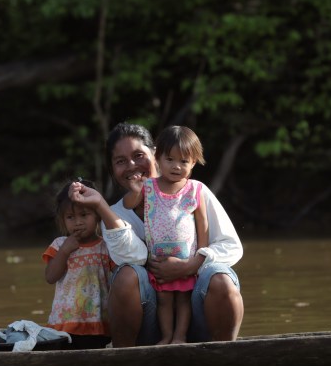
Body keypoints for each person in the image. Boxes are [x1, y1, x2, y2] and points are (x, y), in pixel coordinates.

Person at [69, 122, 243, 347]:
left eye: (139, 155)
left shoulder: (195, 191)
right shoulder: (114, 215)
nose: (132, 166)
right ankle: (128, 362)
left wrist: (190, 265)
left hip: (197, 308)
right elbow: (133, 257)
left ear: (155, 154)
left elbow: (231, 246)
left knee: (221, 279)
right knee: (125, 276)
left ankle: (224, 357)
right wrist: (102, 206)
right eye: (121, 162)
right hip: (151, 321)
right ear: (113, 170)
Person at [122, 125, 209, 345]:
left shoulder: (194, 189)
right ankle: (167, 335)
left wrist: (200, 257)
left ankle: (180, 336)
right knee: (163, 300)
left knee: (183, 300)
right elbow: (129, 204)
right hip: (159, 261)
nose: (176, 166)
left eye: (184, 161)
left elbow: (203, 224)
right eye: (170, 159)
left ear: (193, 163)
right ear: (157, 158)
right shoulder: (149, 187)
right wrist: (135, 189)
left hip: (186, 259)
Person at [42, 179, 113, 349]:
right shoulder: (59, 245)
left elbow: (118, 277)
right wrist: (65, 252)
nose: (78, 222)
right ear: (63, 219)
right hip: (65, 324)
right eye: (70, 217)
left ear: (97, 215)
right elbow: (50, 277)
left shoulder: (106, 246)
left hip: (98, 322)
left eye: (84, 215)